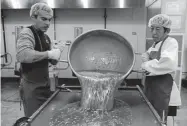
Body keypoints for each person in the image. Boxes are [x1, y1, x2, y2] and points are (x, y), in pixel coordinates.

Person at [16, 2, 64, 117]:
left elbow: (53, 61)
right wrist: (49, 53)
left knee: (43, 116)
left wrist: (58, 52)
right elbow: (23, 55)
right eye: (43, 19)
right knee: (33, 118)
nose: (48, 23)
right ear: (33, 17)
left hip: (45, 85)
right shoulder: (27, 33)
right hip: (31, 87)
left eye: (49, 20)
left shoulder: (45, 37)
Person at [141, 14, 181, 123]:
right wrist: (146, 56)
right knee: (153, 118)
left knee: (163, 121)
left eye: (158, 29)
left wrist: (146, 64)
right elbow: (147, 55)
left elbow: (167, 63)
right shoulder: (155, 44)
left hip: (164, 93)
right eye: (152, 28)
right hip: (153, 90)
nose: (154, 32)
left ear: (166, 30)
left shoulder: (170, 42)